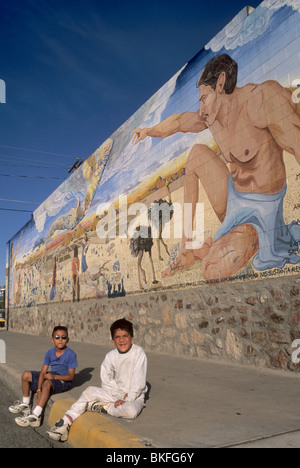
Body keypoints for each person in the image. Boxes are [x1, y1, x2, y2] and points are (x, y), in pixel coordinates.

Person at [132, 54, 300, 282]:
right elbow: (180, 121)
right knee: (196, 155)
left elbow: (296, 142)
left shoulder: (260, 99)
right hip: (233, 199)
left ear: (220, 84)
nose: (200, 109)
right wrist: (149, 131)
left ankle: (231, 244)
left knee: (211, 270)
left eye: (203, 98)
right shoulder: (213, 119)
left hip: (261, 213)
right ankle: (187, 248)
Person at [47, 318, 147, 443]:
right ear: (113, 341)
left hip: (134, 397)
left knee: (131, 412)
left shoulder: (138, 353)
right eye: (117, 337)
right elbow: (106, 380)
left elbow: (139, 381)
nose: (122, 340)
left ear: (132, 338)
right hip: (115, 395)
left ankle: (104, 407)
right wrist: (119, 397)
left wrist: (127, 399)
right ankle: (64, 422)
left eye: (125, 336)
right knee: (89, 391)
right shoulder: (110, 356)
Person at [9, 326, 78, 428]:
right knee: (26, 375)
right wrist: (39, 390)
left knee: (46, 383)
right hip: (51, 375)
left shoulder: (71, 354)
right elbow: (43, 373)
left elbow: (71, 377)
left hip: (63, 380)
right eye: (57, 337)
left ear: (67, 340)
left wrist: (54, 377)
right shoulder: (49, 353)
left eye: (63, 337)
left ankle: (36, 415)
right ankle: (26, 404)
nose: (60, 340)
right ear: (52, 340)